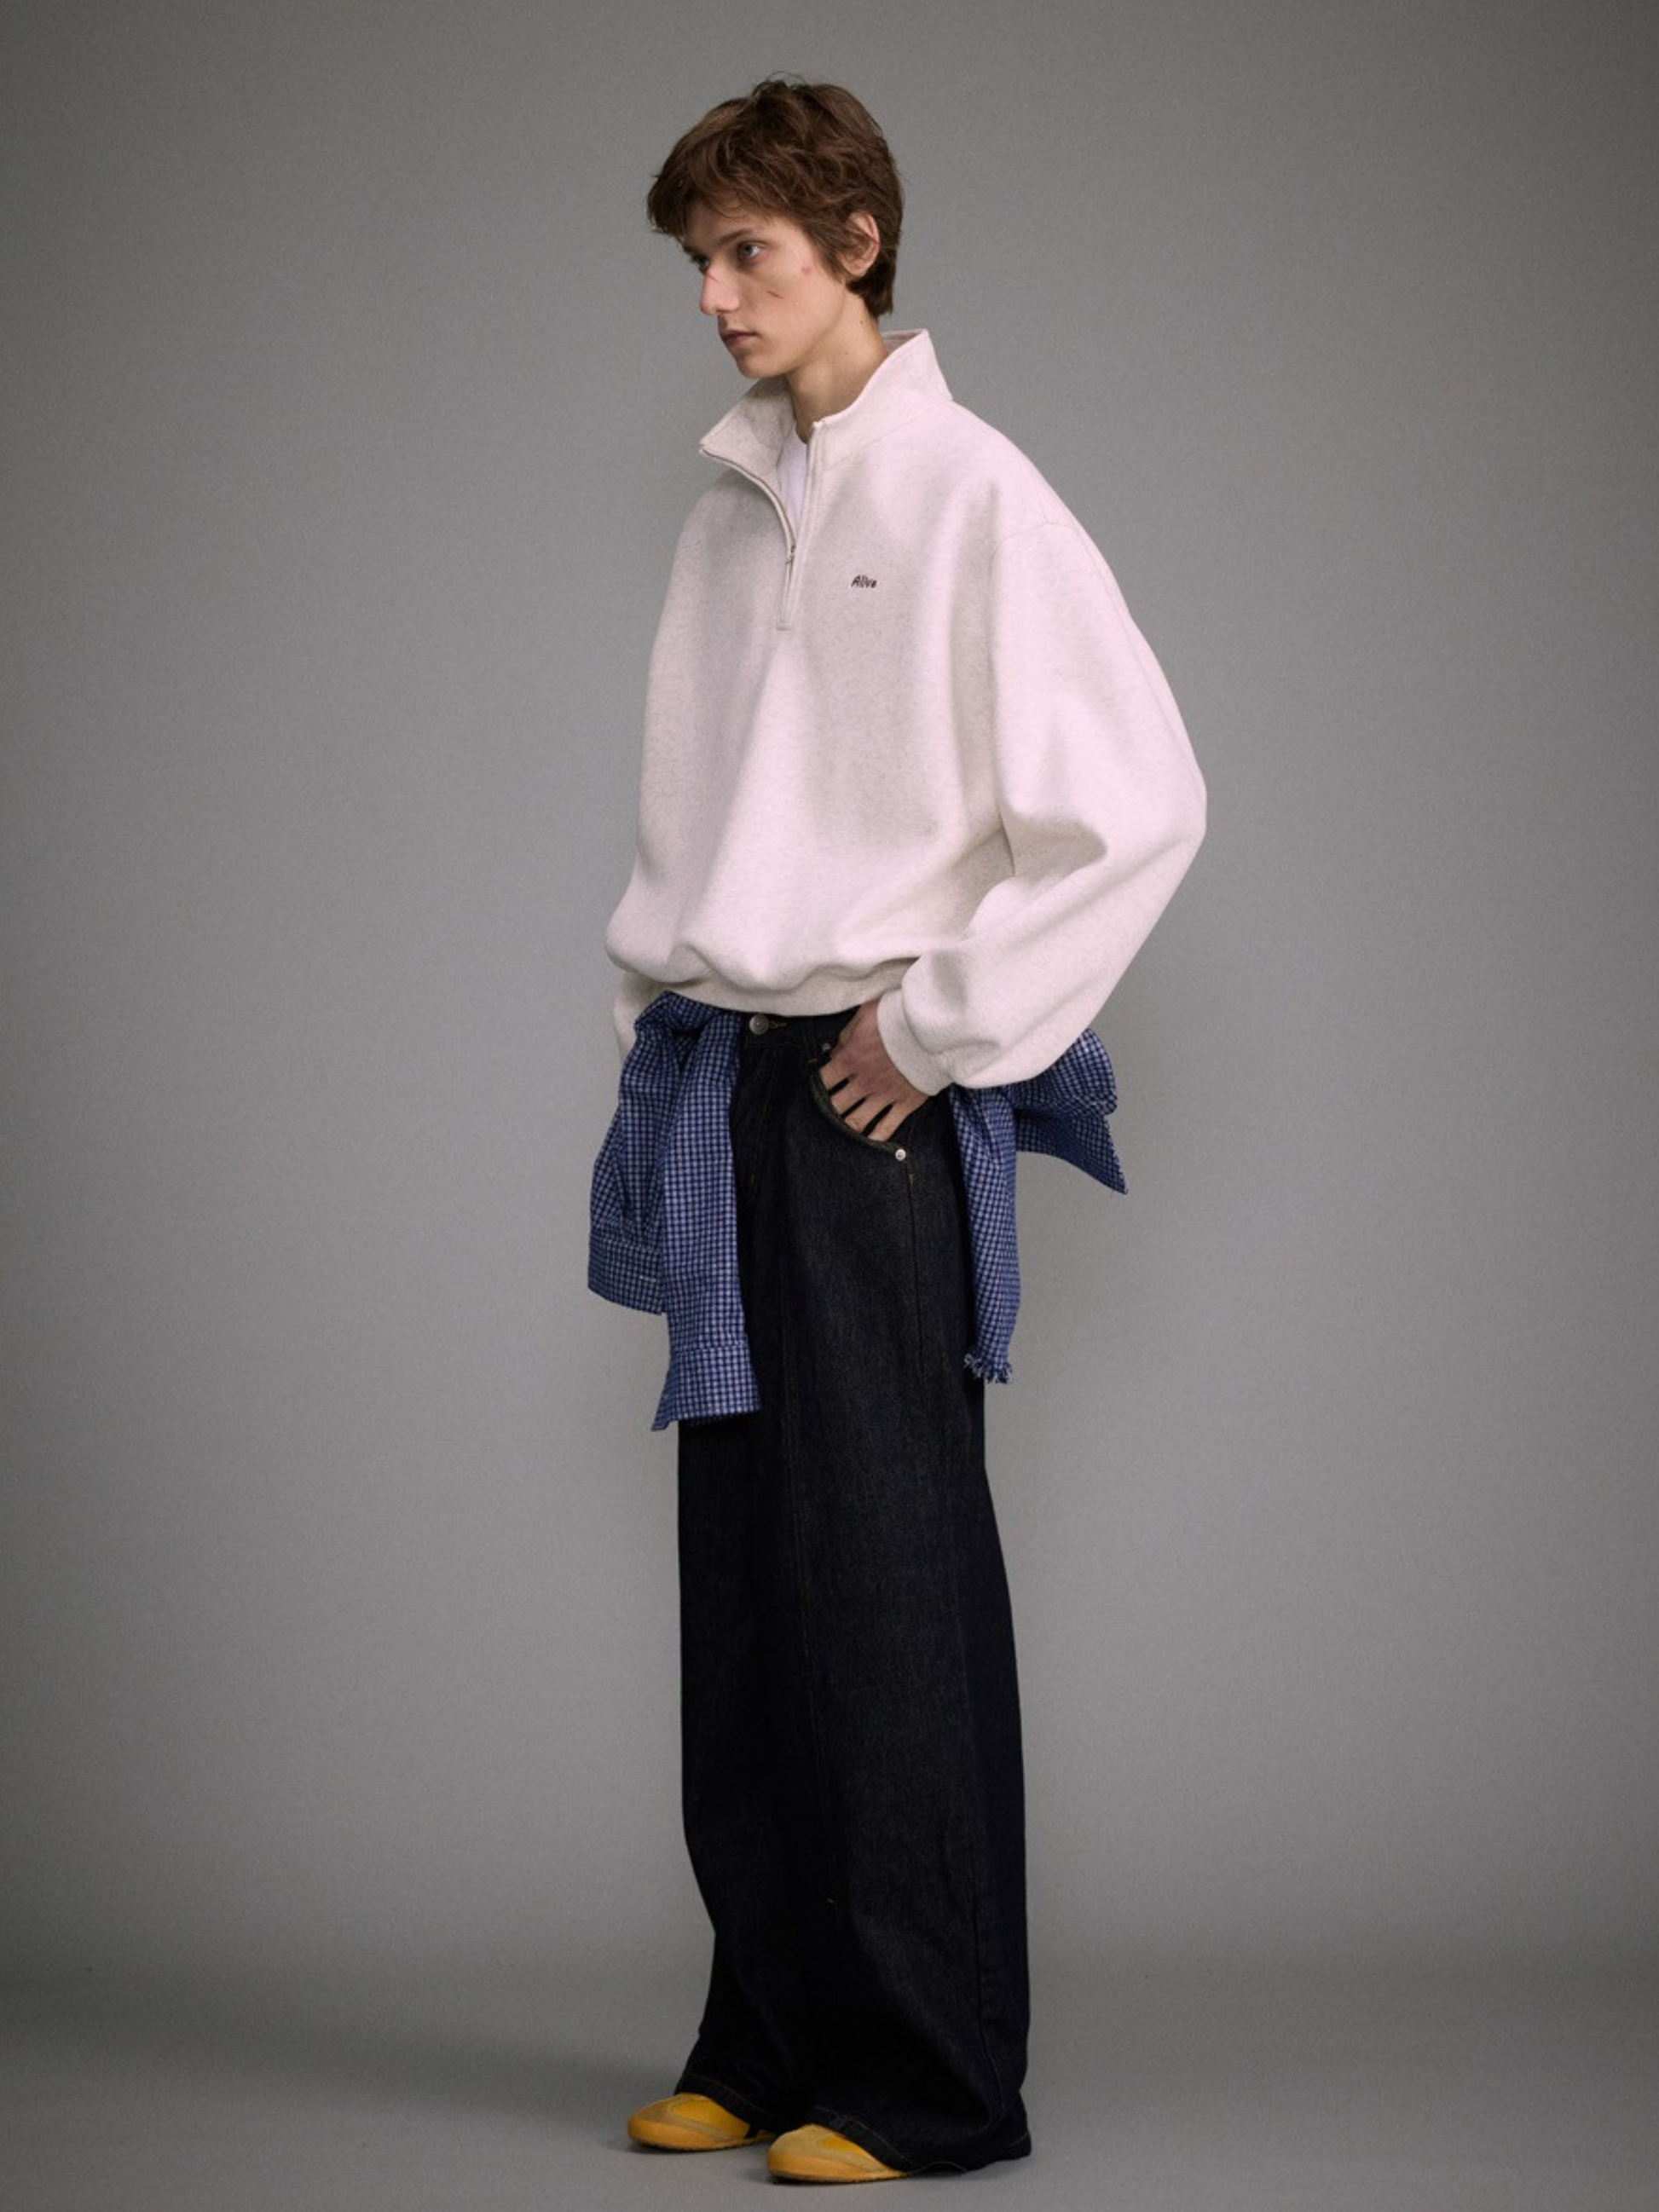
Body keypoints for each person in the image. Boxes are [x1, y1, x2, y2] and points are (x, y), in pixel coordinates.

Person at [588, 79, 1205, 2184]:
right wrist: (657, 1010)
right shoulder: (726, 508)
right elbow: (699, 810)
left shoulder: (971, 491)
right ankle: (767, 2037)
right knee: (745, 1584)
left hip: (872, 1101)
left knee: (885, 1573)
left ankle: (930, 2073)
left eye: (748, 250)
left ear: (858, 243)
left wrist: (940, 1028)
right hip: (727, 1078)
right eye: (699, 258)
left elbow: (1137, 805)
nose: (714, 294)